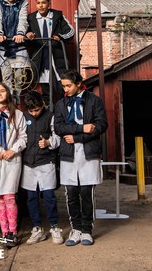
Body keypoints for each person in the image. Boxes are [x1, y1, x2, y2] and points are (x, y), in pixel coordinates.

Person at [53, 70, 108, 246]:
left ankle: (86, 230)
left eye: (68, 85)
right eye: (63, 86)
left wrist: (78, 137)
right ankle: (75, 229)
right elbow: (59, 128)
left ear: (78, 83)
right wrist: (81, 128)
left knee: (86, 193)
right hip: (68, 153)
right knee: (71, 194)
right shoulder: (61, 104)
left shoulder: (94, 100)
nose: (66, 89)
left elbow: (101, 125)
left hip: (88, 152)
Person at [21, 91, 63, 245]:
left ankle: (54, 226)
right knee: (31, 197)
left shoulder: (51, 117)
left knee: (49, 196)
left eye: (37, 109)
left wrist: (48, 143)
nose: (34, 113)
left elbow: (58, 137)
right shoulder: (24, 117)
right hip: (28, 163)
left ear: (43, 104)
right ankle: (37, 228)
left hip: (46, 161)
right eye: (31, 111)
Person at [0, 82, 27, 247]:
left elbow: (23, 137)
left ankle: (13, 232)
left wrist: (13, 150)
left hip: (11, 159)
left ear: (8, 94)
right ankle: (4, 233)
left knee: (9, 197)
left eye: (2, 90)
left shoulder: (17, 114)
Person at [25, 0, 75, 106]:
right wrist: (28, 36)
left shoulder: (57, 16)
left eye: (44, 3)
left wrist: (60, 37)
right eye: (38, 3)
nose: (41, 6)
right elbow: (24, 36)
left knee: (61, 88)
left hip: (56, 57)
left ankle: (65, 111)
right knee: (45, 90)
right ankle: (49, 116)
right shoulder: (31, 18)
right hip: (41, 59)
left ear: (49, 4)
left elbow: (71, 31)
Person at [0, 0, 29, 101]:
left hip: (19, 46)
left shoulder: (23, 2)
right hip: (4, 46)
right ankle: (8, 104)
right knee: (6, 77)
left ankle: (17, 104)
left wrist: (20, 33)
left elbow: (23, 20)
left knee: (19, 78)